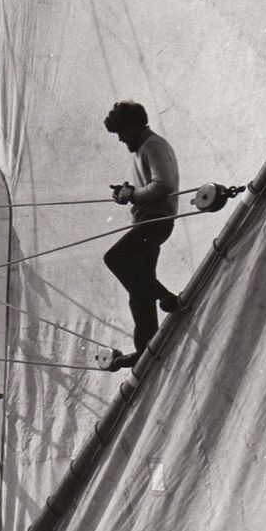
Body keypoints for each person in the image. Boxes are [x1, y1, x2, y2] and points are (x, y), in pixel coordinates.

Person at [103, 100, 180, 370]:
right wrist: (128, 192)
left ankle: (164, 295)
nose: (122, 140)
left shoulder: (153, 145)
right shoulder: (142, 149)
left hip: (156, 220)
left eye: (123, 133)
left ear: (134, 126)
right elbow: (148, 186)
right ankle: (145, 350)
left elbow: (163, 184)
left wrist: (133, 194)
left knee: (115, 258)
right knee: (138, 291)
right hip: (147, 220)